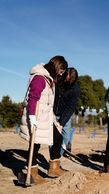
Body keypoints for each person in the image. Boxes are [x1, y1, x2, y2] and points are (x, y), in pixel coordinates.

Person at [20, 55, 68, 184]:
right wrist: (32, 117)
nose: (61, 74)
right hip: (36, 117)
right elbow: (32, 98)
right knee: (35, 144)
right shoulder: (40, 78)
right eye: (61, 71)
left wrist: (54, 120)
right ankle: (32, 173)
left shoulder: (48, 79)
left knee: (57, 137)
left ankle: (53, 168)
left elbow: (47, 103)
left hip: (44, 117)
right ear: (56, 67)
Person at [49, 67, 80, 177]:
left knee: (65, 138)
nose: (67, 82)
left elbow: (70, 108)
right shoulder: (57, 81)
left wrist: (61, 123)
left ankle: (56, 158)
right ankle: (54, 163)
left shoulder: (75, 89)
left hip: (64, 116)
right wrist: (51, 113)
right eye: (65, 79)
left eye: (69, 81)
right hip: (51, 113)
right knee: (53, 140)